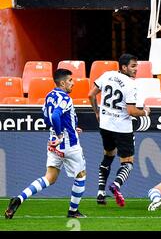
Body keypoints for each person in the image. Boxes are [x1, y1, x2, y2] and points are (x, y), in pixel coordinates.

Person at [4, 69, 87, 219]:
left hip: (53, 143)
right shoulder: (66, 99)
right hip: (68, 144)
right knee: (81, 176)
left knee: (49, 177)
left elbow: (48, 118)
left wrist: (69, 127)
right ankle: (73, 211)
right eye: (70, 80)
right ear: (62, 83)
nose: (73, 83)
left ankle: (19, 198)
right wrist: (62, 134)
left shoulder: (49, 96)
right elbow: (55, 115)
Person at [88, 53, 150, 207]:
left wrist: (97, 112)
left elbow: (91, 94)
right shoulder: (130, 85)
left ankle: (100, 193)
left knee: (108, 155)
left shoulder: (107, 75)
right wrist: (145, 112)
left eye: (137, 66)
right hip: (122, 128)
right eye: (133, 66)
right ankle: (116, 184)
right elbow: (131, 111)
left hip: (105, 125)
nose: (136, 69)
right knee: (127, 162)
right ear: (124, 67)